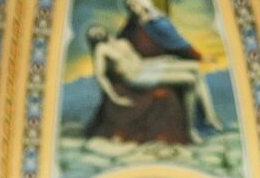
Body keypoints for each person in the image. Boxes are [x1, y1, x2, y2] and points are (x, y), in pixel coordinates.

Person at [85, 23, 224, 142]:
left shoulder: (122, 42)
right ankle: (189, 129)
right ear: (92, 40)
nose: (96, 33)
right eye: (92, 34)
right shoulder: (101, 49)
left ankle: (210, 116)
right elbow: (100, 75)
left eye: (96, 29)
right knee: (190, 80)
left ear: (103, 29)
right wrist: (114, 97)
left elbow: (139, 61)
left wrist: (162, 59)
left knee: (195, 68)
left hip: (147, 67)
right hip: (136, 77)